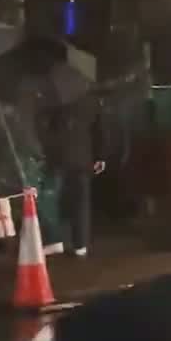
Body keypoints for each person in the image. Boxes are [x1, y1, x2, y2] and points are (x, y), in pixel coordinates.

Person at [44, 88, 105, 258]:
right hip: (82, 158)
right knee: (81, 203)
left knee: (53, 201)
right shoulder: (91, 99)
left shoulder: (53, 98)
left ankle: (55, 241)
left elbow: (47, 130)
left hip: (58, 158)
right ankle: (80, 244)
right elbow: (98, 129)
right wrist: (99, 156)